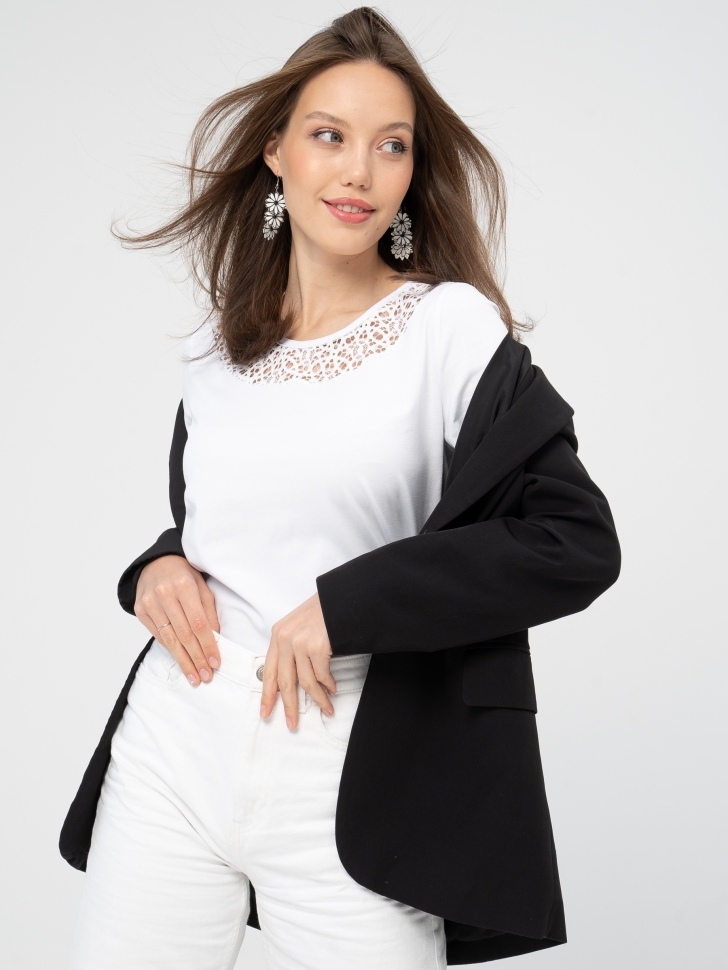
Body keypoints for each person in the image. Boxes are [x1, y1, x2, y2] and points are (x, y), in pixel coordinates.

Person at [61, 8, 621, 968]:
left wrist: (345, 605)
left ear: (410, 172)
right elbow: (235, 525)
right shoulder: (218, 349)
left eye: (390, 145)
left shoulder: (448, 331)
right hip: (176, 743)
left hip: (357, 768)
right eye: (330, 136)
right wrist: (158, 566)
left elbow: (571, 540)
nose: (360, 170)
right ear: (276, 152)